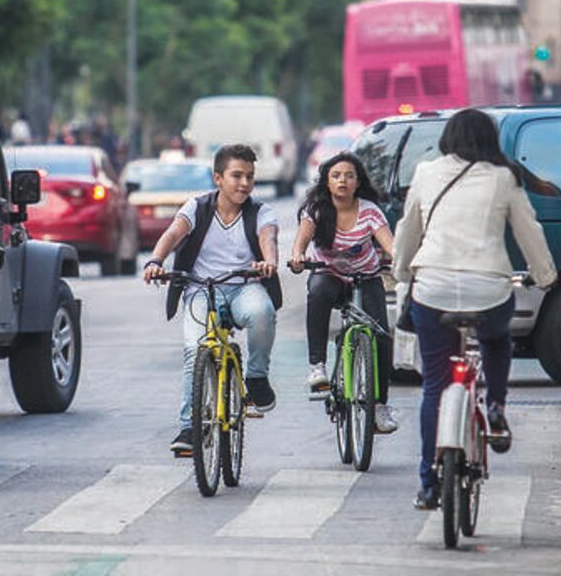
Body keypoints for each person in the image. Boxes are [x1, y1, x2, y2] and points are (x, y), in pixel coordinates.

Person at [392, 109, 556, 510]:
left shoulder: (426, 172)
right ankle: (496, 406)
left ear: (447, 138)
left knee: (435, 383)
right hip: (489, 288)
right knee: (497, 341)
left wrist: (400, 272)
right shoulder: (504, 177)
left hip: (432, 289)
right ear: (490, 140)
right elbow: (529, 231)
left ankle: (428, 483)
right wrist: (545, 276)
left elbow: (407, 231)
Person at [143, 144, 281, 455]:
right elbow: (173, 233)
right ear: (218, 178)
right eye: (236, 176)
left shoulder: (261, 212)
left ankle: (256, 377)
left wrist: (268, 261)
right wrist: (155, 260)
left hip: (244, 286)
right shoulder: (196, 207)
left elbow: (267, 238)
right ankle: (190, 428)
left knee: (262, 313)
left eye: (249, 176)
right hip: (200, 289)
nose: (244, 183)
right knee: (194, 349)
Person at [289, 152, 399, 433]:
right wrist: (298, 257)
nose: (343, 181)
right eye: (336, 176)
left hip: (367, 277)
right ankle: (317, 366)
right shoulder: (316, 209)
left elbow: (390, 244)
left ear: (357, 182)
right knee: (318, 290)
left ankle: (380, 407)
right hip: (330, 275)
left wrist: (401, 259)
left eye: (349, 176)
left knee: (382, 337)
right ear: (327, 182)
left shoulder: (370, 210)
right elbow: (299, 243)